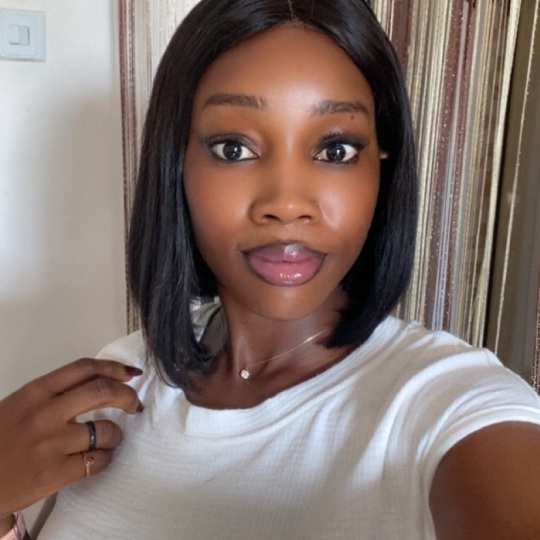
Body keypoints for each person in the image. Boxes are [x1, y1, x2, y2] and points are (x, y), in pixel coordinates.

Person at [2, 0, 540, 538]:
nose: (286, 204)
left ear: (382, 165)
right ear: (177, 162)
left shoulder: (449, 400)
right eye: (233, 148)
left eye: (336, 149)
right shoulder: (122, 377)